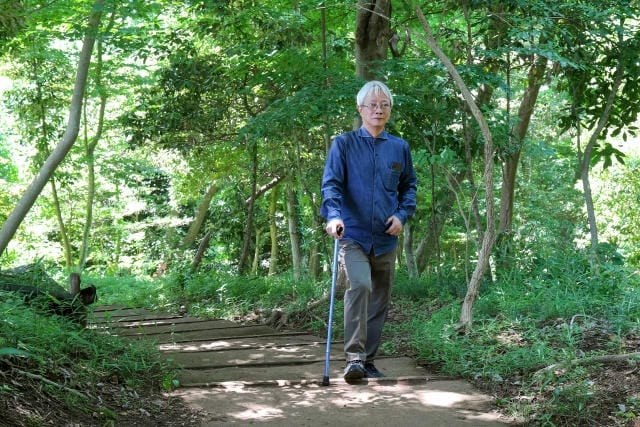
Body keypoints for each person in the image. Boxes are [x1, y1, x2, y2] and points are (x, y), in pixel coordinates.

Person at [320, 80, 417, 380]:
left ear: (390, 110)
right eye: (372, 105)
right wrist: (333, 217)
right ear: (360, 109)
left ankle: (368, 360)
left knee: (380, 300)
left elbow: (409, 188)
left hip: (385, 238)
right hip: (352, 236)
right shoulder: (344, 144)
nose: (379, 110)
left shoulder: (399, 148)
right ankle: (353, 357)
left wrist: (402, 215)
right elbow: (331, 184)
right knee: (360, 286)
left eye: (384, 105)